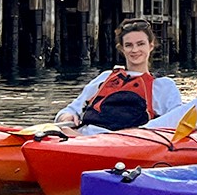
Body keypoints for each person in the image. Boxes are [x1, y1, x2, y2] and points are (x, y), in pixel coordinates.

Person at [54, 19, 182, 134]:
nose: (135, 50)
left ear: (151, 46)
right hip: (86, 136)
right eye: (129, 45)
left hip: (129, 141)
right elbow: (72, 109)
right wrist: (66, 117)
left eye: (140, 44)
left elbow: (177, 119)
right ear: (122, 49)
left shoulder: (164, 85)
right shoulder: (105, 78)